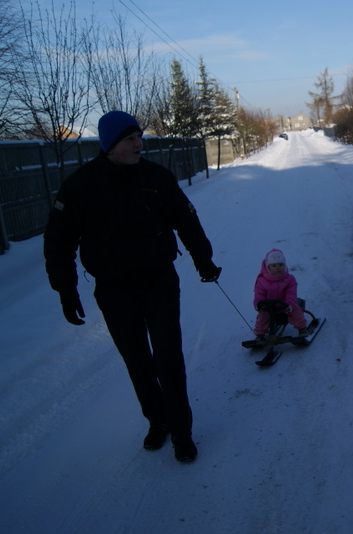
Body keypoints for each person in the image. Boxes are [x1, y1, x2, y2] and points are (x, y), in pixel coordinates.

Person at [43, 110, 221, 463]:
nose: (139, 143)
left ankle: (182, 432)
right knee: (137, 361)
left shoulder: (156, 177)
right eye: (130, 138)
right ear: (110, 144)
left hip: (159, 281)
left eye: (139, 136)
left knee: (167, 357)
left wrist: (204, 259)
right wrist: (66, 289)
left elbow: (186, 219)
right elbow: (58, 241)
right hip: (113, 289)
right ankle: (158, 420)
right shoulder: (80, 186)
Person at [252, 249, 307, 339]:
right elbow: (259, 294)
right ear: (268, 267)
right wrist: (258, 303)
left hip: (285, 306)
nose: (278, 268)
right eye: (274, 265)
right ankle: (260, 333)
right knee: (262, 316)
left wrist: (289, 304)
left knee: (296, 311)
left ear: (284, 265)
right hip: (268, 307)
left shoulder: (289, 279)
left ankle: (302, 328)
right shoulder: (261, 280)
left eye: (281, 265)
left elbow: (291, 293)